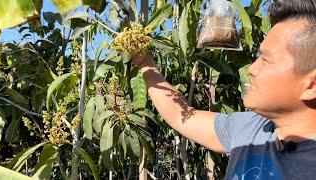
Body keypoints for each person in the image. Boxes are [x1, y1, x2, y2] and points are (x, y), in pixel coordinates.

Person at [133, 0, 316, 179]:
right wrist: (145, 63)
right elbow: (181, 116)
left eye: (266, 60)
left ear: (311, 85)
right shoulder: (249, 129)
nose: (251, 69)